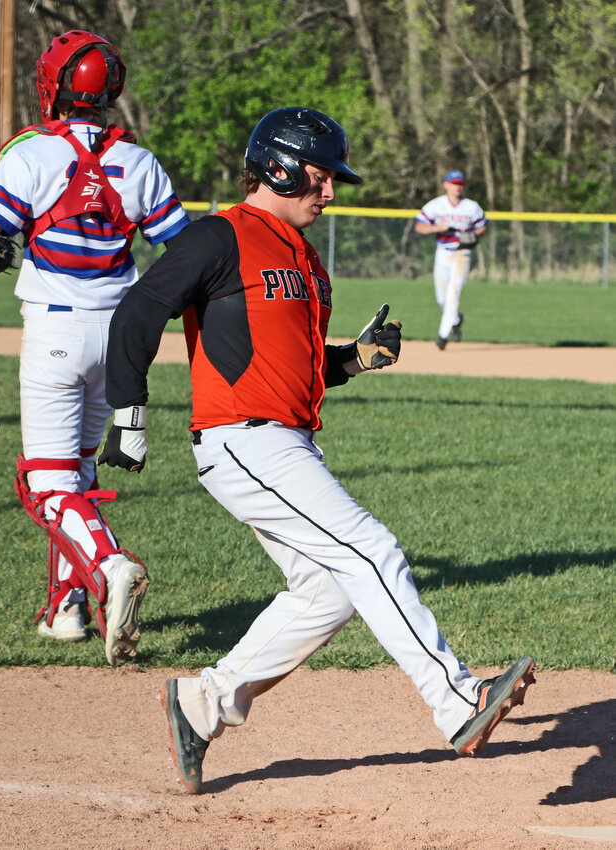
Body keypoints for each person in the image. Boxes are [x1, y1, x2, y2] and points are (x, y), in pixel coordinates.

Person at [98, 108, 534, 793]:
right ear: (277, 166)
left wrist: (353, 360)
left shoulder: (305, 257)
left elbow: (298, 362)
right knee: (371, 548)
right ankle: (456, 701)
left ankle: (201, 704)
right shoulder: (219, 236)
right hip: (241, 436)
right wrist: (127, 411)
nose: (329, 192)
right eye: (319, 176)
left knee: (327, 591)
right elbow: (137, 311)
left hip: (286, 440)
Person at [0, 29, 190, 664]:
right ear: (112, 92)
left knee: (46, 486)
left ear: (51, 87)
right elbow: (183, 253)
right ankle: (67, 608)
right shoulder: (139, 162)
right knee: (77, 474)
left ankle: (107, 567)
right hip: (119, 333)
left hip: (55, 329)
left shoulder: (29, 154)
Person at [414, 170, 487, 349]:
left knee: (453, 294)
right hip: (443, 253)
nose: (457, 187)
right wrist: (437, 227)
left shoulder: (471, 207)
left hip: (462, 254)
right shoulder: (436, 205)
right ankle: (456, 319)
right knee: (442, 298)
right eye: (454, 183)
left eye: (460, 183)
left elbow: (482, 226)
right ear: (446, 185)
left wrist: (474, 236)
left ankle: (443, 335)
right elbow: (419, 226)